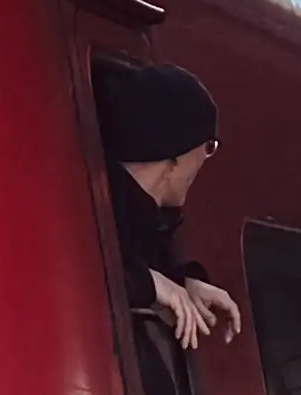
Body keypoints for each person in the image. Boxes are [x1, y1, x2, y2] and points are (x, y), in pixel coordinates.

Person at [93, 59, 245, 357]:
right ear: (177, 152)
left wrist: (180, 283)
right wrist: (147, 282)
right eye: (208, 145)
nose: (206, 157)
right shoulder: (94, 210)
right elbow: (75, 281)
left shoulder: (137, 217)